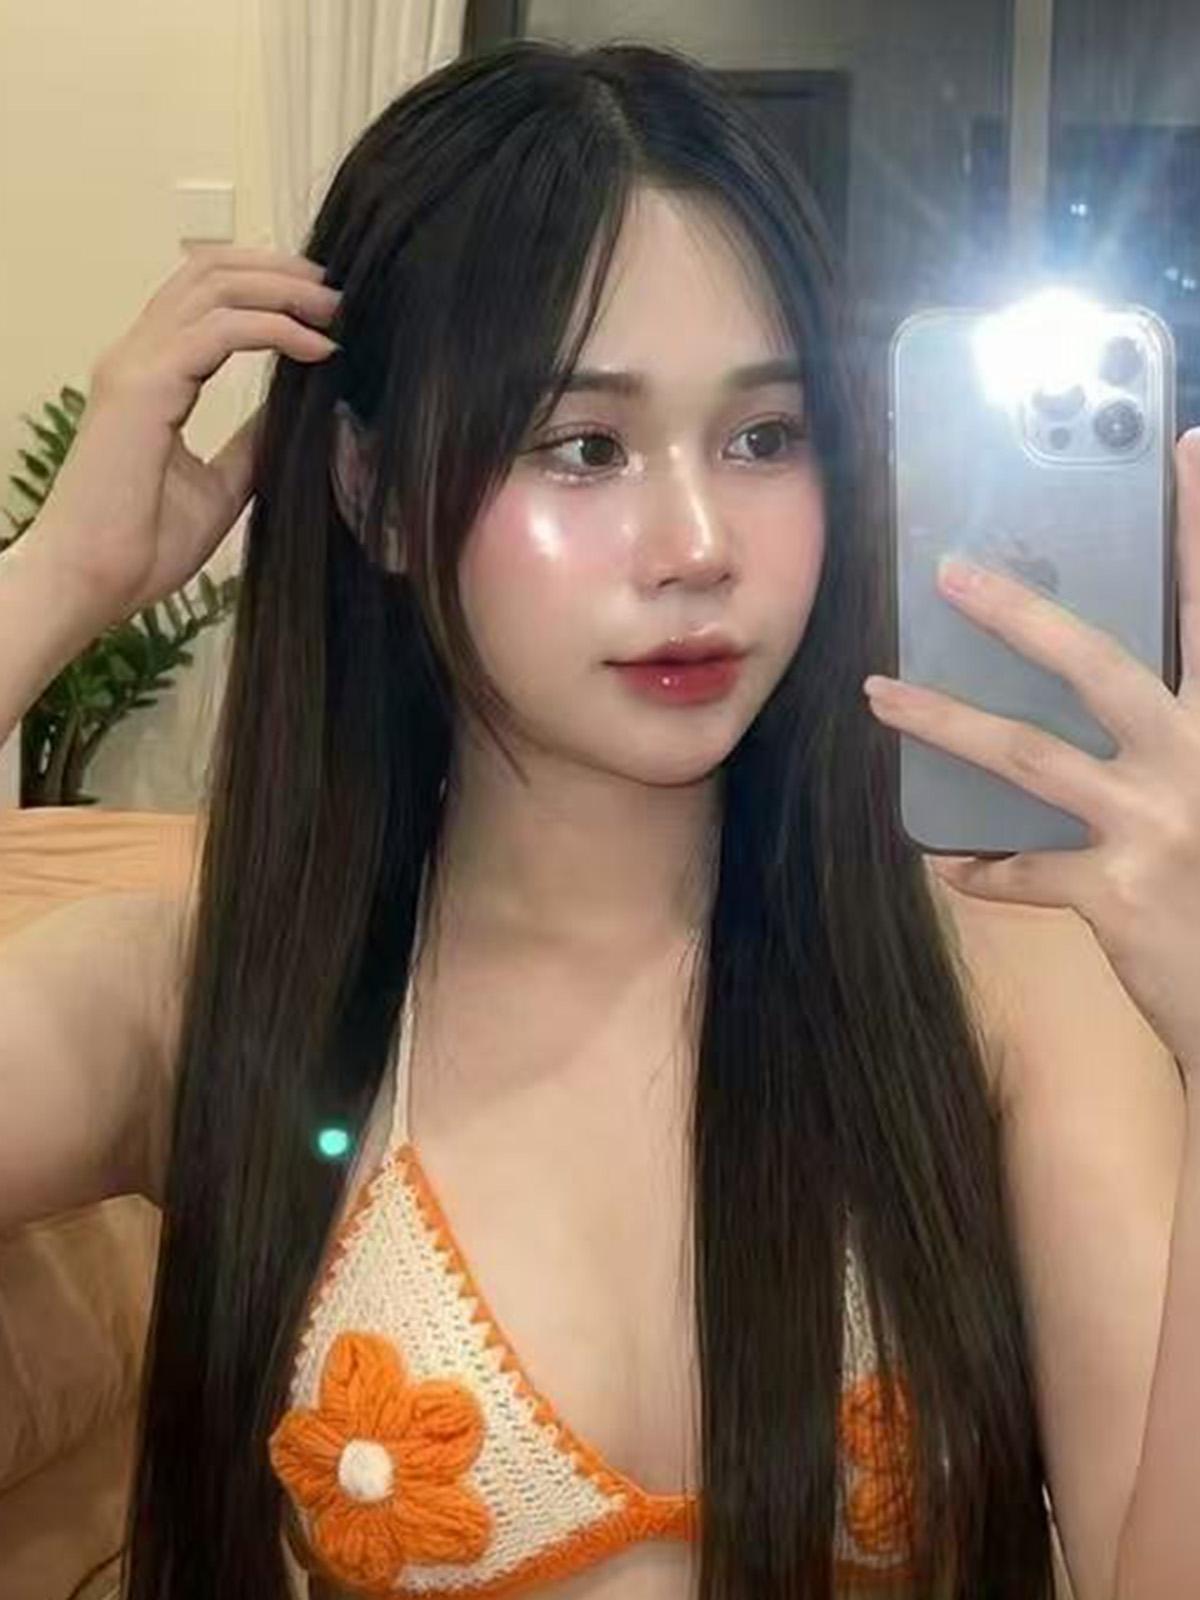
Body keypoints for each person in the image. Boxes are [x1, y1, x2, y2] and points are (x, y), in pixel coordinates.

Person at [0, 37, 1190, 1600]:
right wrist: (51, 586)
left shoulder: (1006, 977)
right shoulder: (197, 994)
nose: (697, 544)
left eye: (764, 438)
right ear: (371, 492)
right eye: (585, 447)